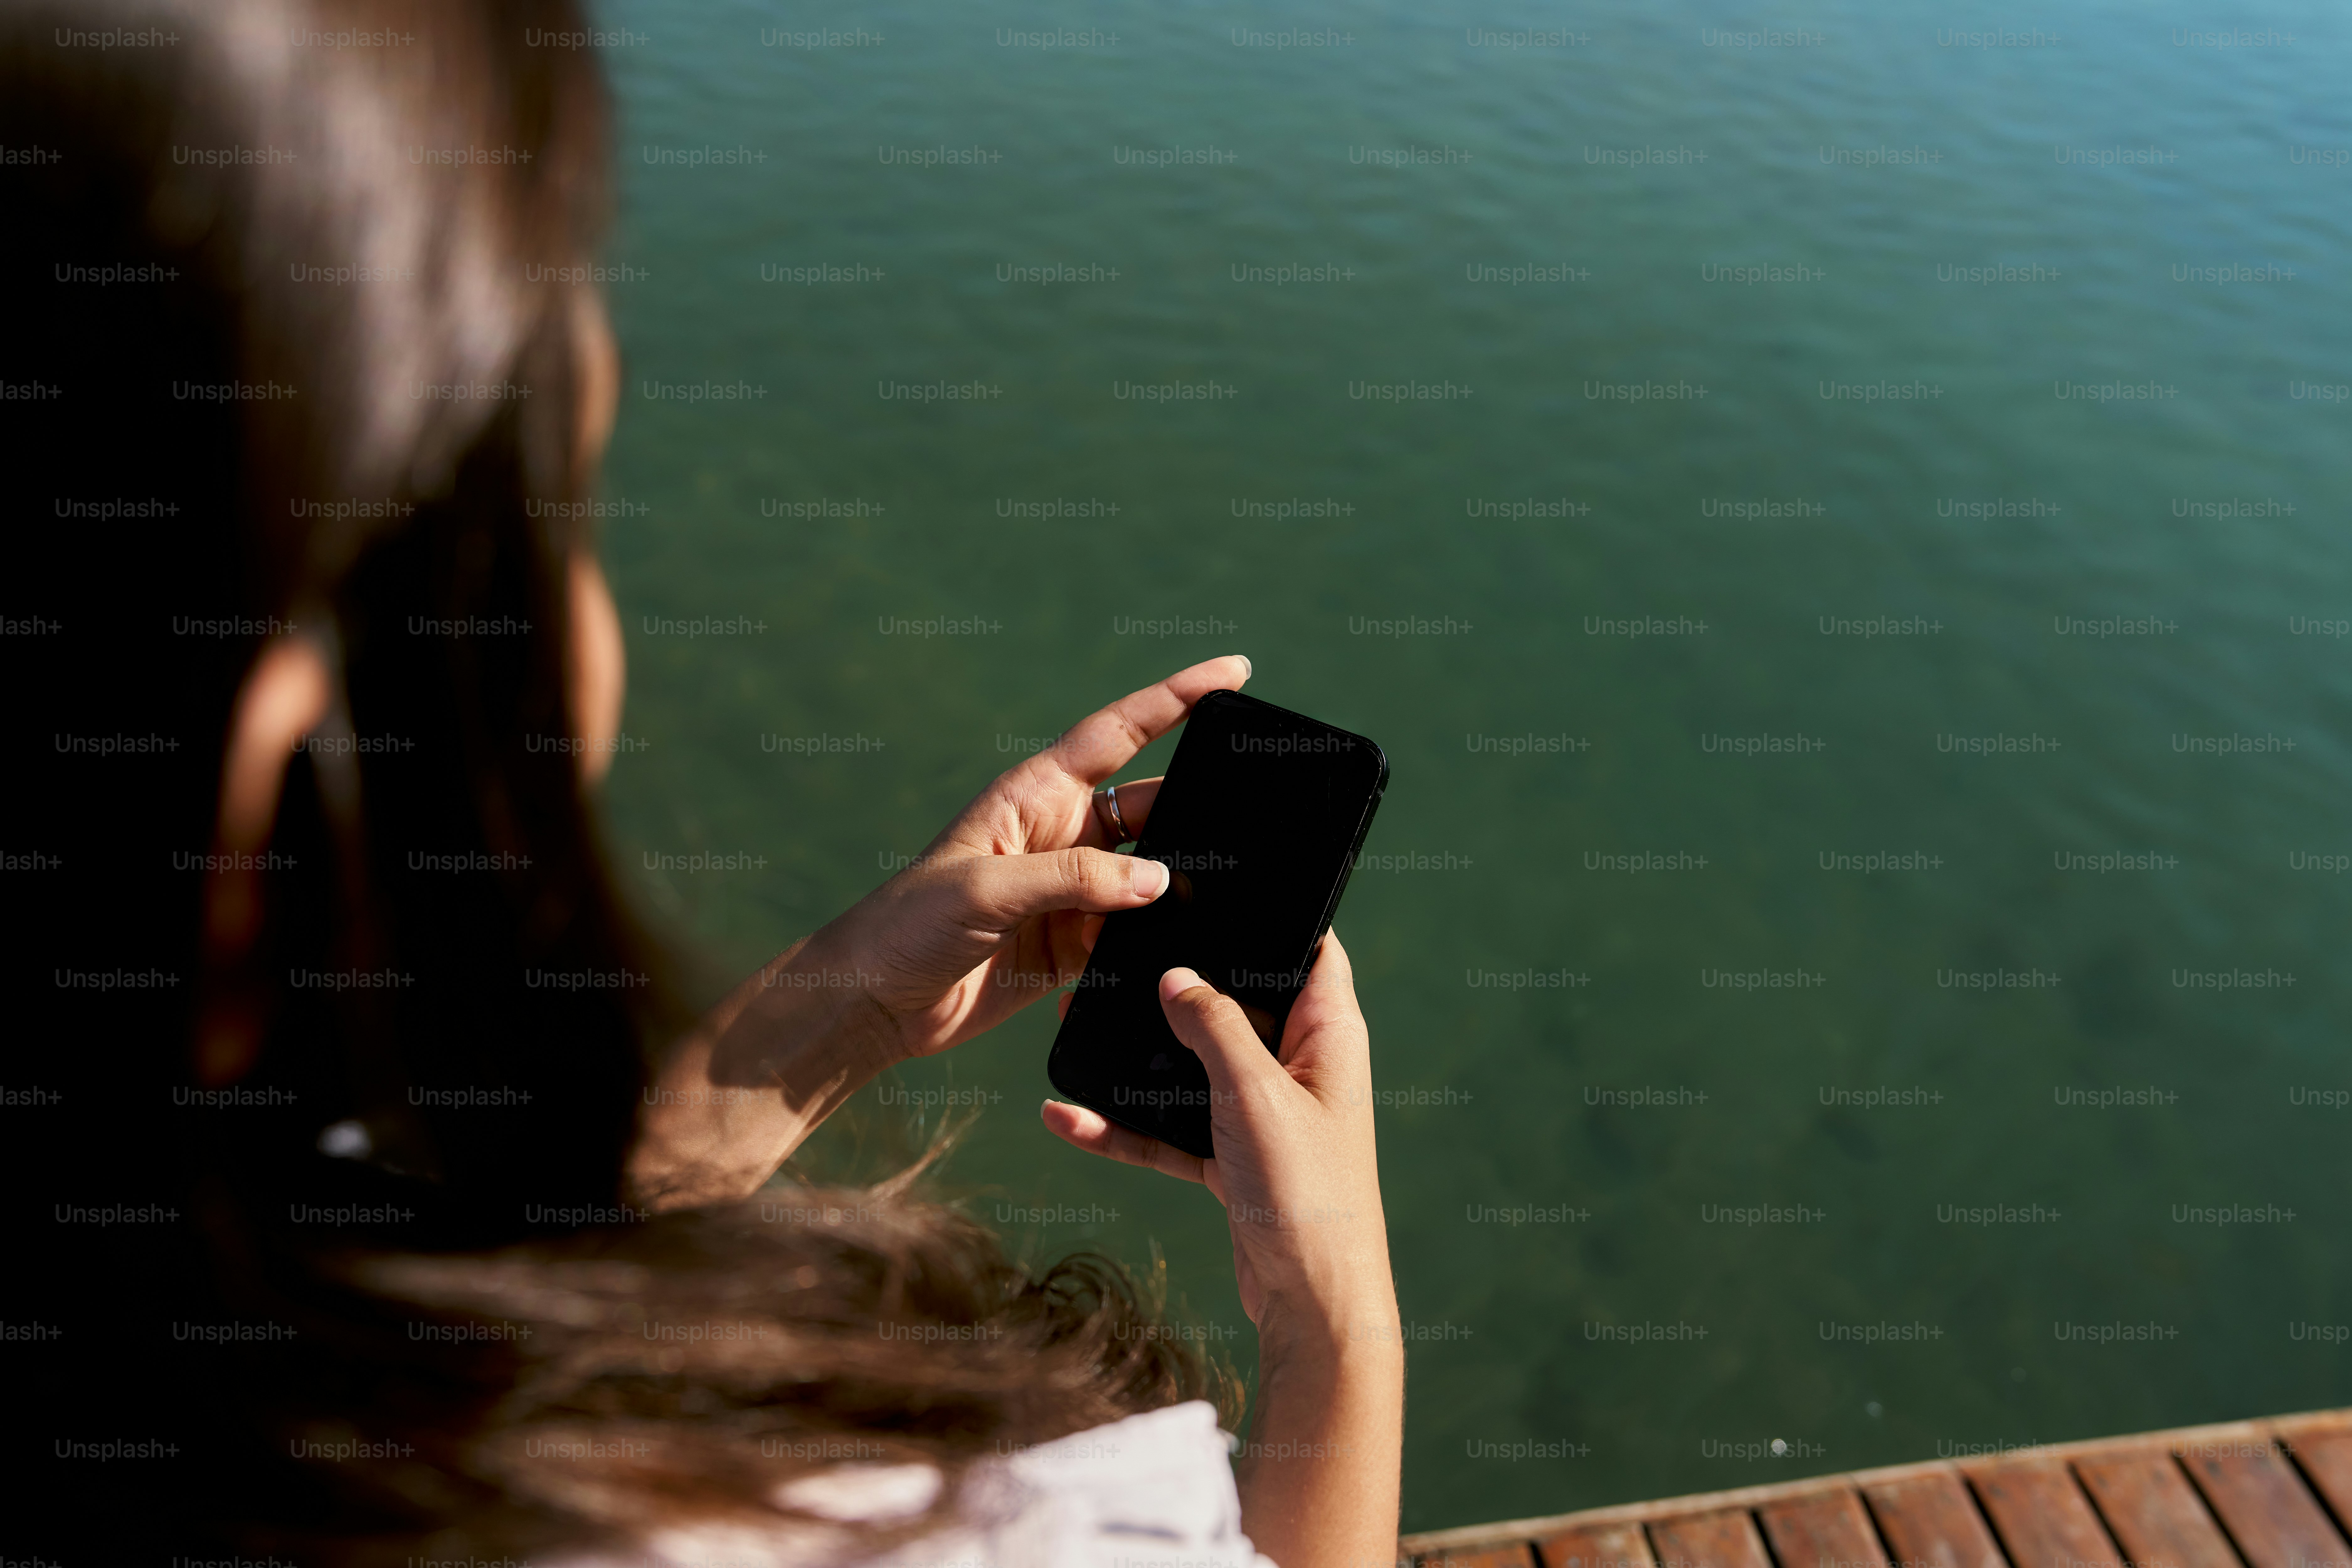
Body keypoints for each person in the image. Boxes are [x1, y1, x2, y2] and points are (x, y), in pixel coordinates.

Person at [3, 1, 1405, 1564]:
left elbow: (458, 1309)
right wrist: (1334, 1317)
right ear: (259, 828)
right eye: (565, 528)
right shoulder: (922, 1533)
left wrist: (837, 1018)